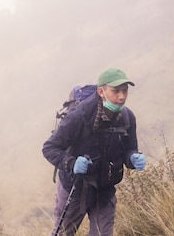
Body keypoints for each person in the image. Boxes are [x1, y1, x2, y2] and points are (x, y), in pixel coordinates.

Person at [42, 67, 147, 236]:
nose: (121, 96)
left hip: (104, 190)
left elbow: (129, 149)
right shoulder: (79, 116)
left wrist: (133, 157)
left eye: (125, 91)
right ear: (101, 91)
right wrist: (71, 163)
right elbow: (49, 148)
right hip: (75, 188)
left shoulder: (127, 117)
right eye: (115, 91)